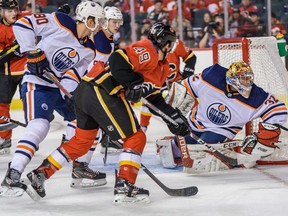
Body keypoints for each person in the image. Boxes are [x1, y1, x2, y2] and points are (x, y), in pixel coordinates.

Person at [22, 22, 190, 204]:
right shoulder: (148, 49)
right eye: (170, 43)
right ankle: (124, 185)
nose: (171, 46)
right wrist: (133, 83)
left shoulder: (162, 67)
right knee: (136, 137)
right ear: (166, 43)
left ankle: (39, 174)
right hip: (102, 90)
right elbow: (117, 60)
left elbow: (153, 97)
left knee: (81, 142)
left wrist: (173, 118)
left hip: (87, 92)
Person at [0, 0, 105, 197]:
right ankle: (13, 173)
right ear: (88, 19)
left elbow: (74, 73)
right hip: (37, 83)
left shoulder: (89, 49)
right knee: (40, 126)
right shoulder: (61, 20)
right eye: (98, 21)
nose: (100, 26)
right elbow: (24, 25)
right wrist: (31, 52)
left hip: (58, 89)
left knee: (88, 125)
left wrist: (71, 93)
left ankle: (79, 167)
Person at [157, 61, 288, 171]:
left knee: (201, 153)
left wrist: (267, 133)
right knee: (172, 151)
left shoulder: (256, 96)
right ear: (232, 78)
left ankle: (230, 154)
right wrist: (175, 108)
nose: (247, 82)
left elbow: (278, 109)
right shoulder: (211, 76)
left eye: (249, 78)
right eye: (243, 78)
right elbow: (185, 86)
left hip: (221, 131)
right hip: (195, 122)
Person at [71, 5, 124, 188]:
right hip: (86, 87)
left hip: (89, 86)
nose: (117, 25)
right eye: (113, 21)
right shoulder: (101, 38)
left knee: (93, 129)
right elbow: (96, 68)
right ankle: (79, 164)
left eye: (119, 22)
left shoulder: (107, 38)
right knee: (88, 129)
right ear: (104, 22)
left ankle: (79, 167)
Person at [140, 38, 197, 132]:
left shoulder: (176, 44)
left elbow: (191, 57)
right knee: (148, 102)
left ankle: (196, 122)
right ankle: (143, 127)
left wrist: (187, 73)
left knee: (188, 99)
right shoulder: (148, 47)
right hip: (158, 81)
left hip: (176, 80)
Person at [0, 0, 31, 155]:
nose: (13, 13)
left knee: (30, 105)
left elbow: (47, 21)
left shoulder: (25, 17)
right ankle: (5, 140)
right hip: (6, 73)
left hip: (27, 71)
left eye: (14, 10)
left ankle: (31, 139)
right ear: (1, 12)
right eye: (8, 11)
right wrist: (14, 50)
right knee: (2, 106)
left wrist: (59, 13)